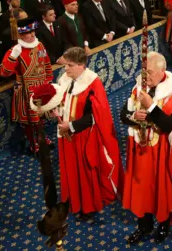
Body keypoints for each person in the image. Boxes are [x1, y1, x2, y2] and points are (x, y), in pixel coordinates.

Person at [30, 47, 122, 216]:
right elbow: (61, 102)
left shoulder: (93, 84)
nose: (65, 69)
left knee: (85, 171)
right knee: (70, 169)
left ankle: (88, 204)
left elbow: (95, 116)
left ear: (81, 65)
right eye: (65, 65)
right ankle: (74, 199)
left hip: (84, 136)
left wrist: (71, 127)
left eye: (69, 65)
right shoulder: (65, 79)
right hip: (65, 135)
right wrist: (52, 110)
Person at [121, 52, 172, 245]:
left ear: (163, 70)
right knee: (141, 189)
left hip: (163, 152)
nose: (146, 77)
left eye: (151, 72)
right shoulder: (139, 86)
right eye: (144, 72)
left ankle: (164, 224)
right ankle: (143, 226)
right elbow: (123, 115)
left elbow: (171, 125)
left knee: (162, 189)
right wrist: (133, 115)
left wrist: (151, 107)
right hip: (141, 150)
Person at [0, 18, 54, 153]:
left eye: (33, 31)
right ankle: (34, 143)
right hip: (26, 89)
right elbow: (3, 73)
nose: (33, 34)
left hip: (41, 86)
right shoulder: (15, 50)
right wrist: (12, 56)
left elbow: (46, 63)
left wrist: (49, 81)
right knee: (29, 121)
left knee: (40, 118)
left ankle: (43, 138)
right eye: (29, 33)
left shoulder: (39, 45)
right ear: (21, 35)